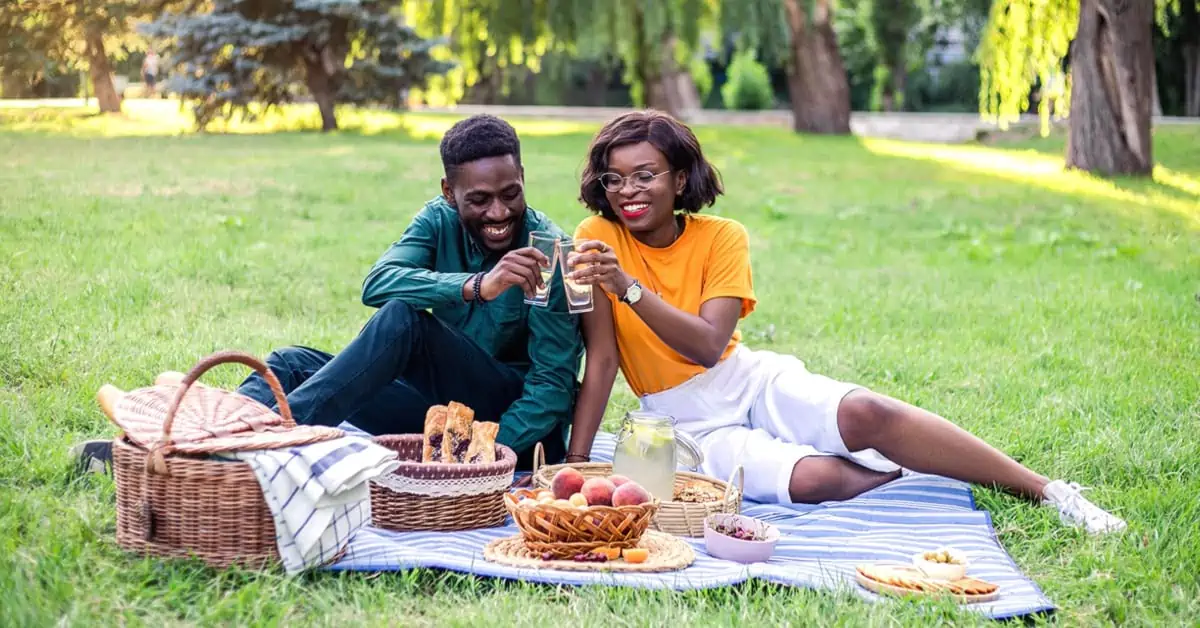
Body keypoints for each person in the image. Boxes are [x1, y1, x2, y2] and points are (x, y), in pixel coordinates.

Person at [563, 110, 1127, 534]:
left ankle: (1048, 491)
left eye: (645, 175)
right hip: (682, 419)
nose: (628, 192)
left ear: (680, 180)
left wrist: (628, 287)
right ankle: (907, 475)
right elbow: (604, 357)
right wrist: (574, 464)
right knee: (814, 481)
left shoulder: (722, 237)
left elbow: (710, 345)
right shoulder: (597, 239)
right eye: (615, 180)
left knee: (867, 412)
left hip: (743, 377)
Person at [73, 114, 583, 473]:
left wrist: (488, 456)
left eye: (510, 193)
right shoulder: (437, 218)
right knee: (294, 362)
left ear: (522, 177)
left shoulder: (550, 251)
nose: (498, 212)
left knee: (404, 321)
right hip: (438, 414)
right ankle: (197, 448)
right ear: (449, 194)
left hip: (499, 421)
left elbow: (553, 388)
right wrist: (477, 285)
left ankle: (245, 451)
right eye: (479, 199)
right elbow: (377, 283)